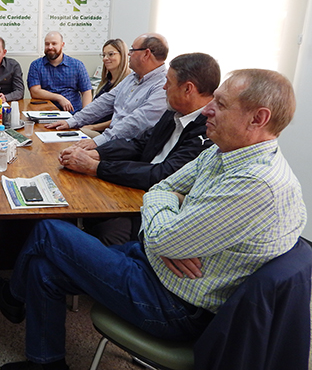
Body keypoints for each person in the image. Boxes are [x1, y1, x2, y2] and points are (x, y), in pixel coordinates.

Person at [0, 68, 306, 370]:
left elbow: (163, 231)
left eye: (220, 104)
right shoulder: (223, 152)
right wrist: (172, 215)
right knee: (43, 267)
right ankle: (46, 363)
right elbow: (161, 188)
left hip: (173, 305)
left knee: (49, 230)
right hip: (155, 265)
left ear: (258, 118)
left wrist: (169, 228)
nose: (207, 110)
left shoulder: (256, 184)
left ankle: (12, 298)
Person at [60, 52, 220, 245]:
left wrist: (95, 167)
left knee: (101, 229)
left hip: (155, 206)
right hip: (136, 187)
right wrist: (97, 153)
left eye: (168, 82)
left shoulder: (209, 130)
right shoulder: (174, 112)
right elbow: (139, 144)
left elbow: (163, 173)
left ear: (188, 89)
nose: (164, 87)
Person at [46, 32, 168, 149]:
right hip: (112, 139)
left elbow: (137, 122)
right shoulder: (133, 77)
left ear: (146, 54)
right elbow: (105, 102)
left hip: (128, 146)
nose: (129, 54)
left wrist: (98, 141)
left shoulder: (162, 86)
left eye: (132, 50)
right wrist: (72, 121)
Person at [26, 31, 92, 113]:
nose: (50, 47)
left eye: (54, 44)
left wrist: (84, 115)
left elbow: (86, 92)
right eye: (47, 44)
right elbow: (35, 92)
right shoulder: (36, 65)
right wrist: (59, 98)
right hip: (45, 112)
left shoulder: (77, 65)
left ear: (62, 45)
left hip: (72, 113)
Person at [81, 38, 131, 137]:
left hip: (107, 132)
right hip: (92, 125)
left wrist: (93, 127)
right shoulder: (106, 81)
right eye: (104, 55)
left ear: (122, 55)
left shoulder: (129, 82)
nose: (105, 58)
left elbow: (121, 118)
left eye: (111, 54)